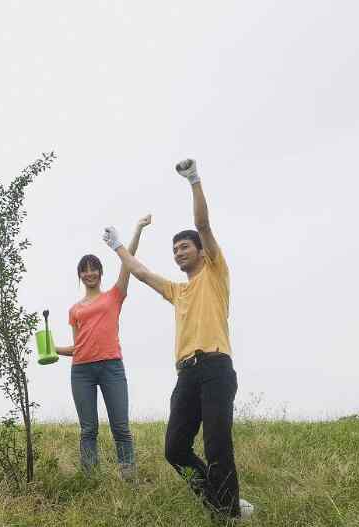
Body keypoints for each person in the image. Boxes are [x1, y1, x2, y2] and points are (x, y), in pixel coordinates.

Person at [101, 159, 253, 520]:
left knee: (217, 445)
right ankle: (222, 503)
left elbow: (203, 224)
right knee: (174, 448)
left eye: (185, 247)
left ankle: (227, 513)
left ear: (201, 252)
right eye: (175, 250)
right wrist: (118, 246)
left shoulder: (215, 273)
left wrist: (194, 180)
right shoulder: (178, 291)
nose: (179, 252)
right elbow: (140, 272)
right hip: (187, 373)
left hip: (216, 367)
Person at [53, 215, 151, 481]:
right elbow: (78, 347)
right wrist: (53, 349)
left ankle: (128, 476)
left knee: (120, 427)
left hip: (111, 367)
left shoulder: (114, 295)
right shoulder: (74, 310)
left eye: (93, 268)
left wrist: (137, 229)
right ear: (80, 275)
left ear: (100, 272)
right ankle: (90, 478)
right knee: (88, 429)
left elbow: (128, 262)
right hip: (81, 370)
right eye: (84, 270)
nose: (89, 273)